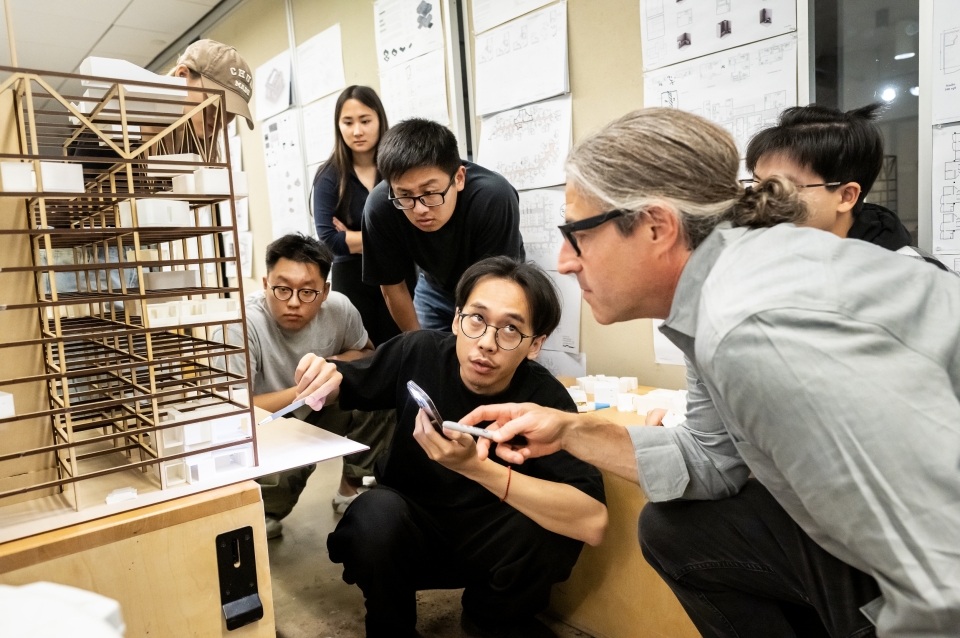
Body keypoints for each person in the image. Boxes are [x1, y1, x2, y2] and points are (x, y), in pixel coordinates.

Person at [459, 109, 960, 636]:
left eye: (576, 233)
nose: (564, 261)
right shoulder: (724, 288)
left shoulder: (755, 328)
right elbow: (714, 460)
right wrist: (569, 430)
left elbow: (943, 576)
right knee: (679, 532)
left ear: (657, 226)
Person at [293, 257, 607, 638]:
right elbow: (349, 381)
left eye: (511, 329)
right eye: (476, 319)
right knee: (373, 515)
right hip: (410, 534)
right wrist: (322, 373)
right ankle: (391, 626)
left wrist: (474, 467)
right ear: (457, 319)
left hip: (493, 546)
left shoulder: (545, 400)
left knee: (546, 525)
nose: (487, 343)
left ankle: (492, 621)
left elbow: (592, 521)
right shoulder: (419, 351)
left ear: (535, 345)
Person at [213, 234, 393, 539]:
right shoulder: (239, 326)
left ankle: (352, 488)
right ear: (264, 282)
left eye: (308, 292)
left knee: (381, 390)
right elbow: (233, 410)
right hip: (267, 426)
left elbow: (366, 353)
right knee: (263, 514)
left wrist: (332, 365)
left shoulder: (339, 309)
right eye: (282, 289)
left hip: (323, 411)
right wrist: (307, 389)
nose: (294, 302)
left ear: (325, 292)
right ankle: (267, 505)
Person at [361, 118, 525, 332]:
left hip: (495, 283)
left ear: (458, 178)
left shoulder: (492, 198)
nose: (419, 209)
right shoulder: (381, 205)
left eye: (430, 193)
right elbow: (393, 286)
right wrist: (418, 344)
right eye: (405, 195)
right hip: (434, 287)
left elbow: (497, 287)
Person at [745, 102, 948, 270]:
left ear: (846, 196)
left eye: (781, 187)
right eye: (756, 182)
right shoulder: (764, 258)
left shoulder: (915, 277)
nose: (759, 199)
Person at [312, 86, 416, 346]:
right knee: (363, 355)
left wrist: (352, 237)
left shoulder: (399, 169)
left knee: (406, 348)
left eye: (365, 121)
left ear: (380, 120)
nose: (357, 131)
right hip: (352, 280)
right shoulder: (328, 177)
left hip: (400, 277)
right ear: (338, 126)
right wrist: (391, 240)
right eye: (348, 122)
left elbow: (414, 227)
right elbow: (330, 240)